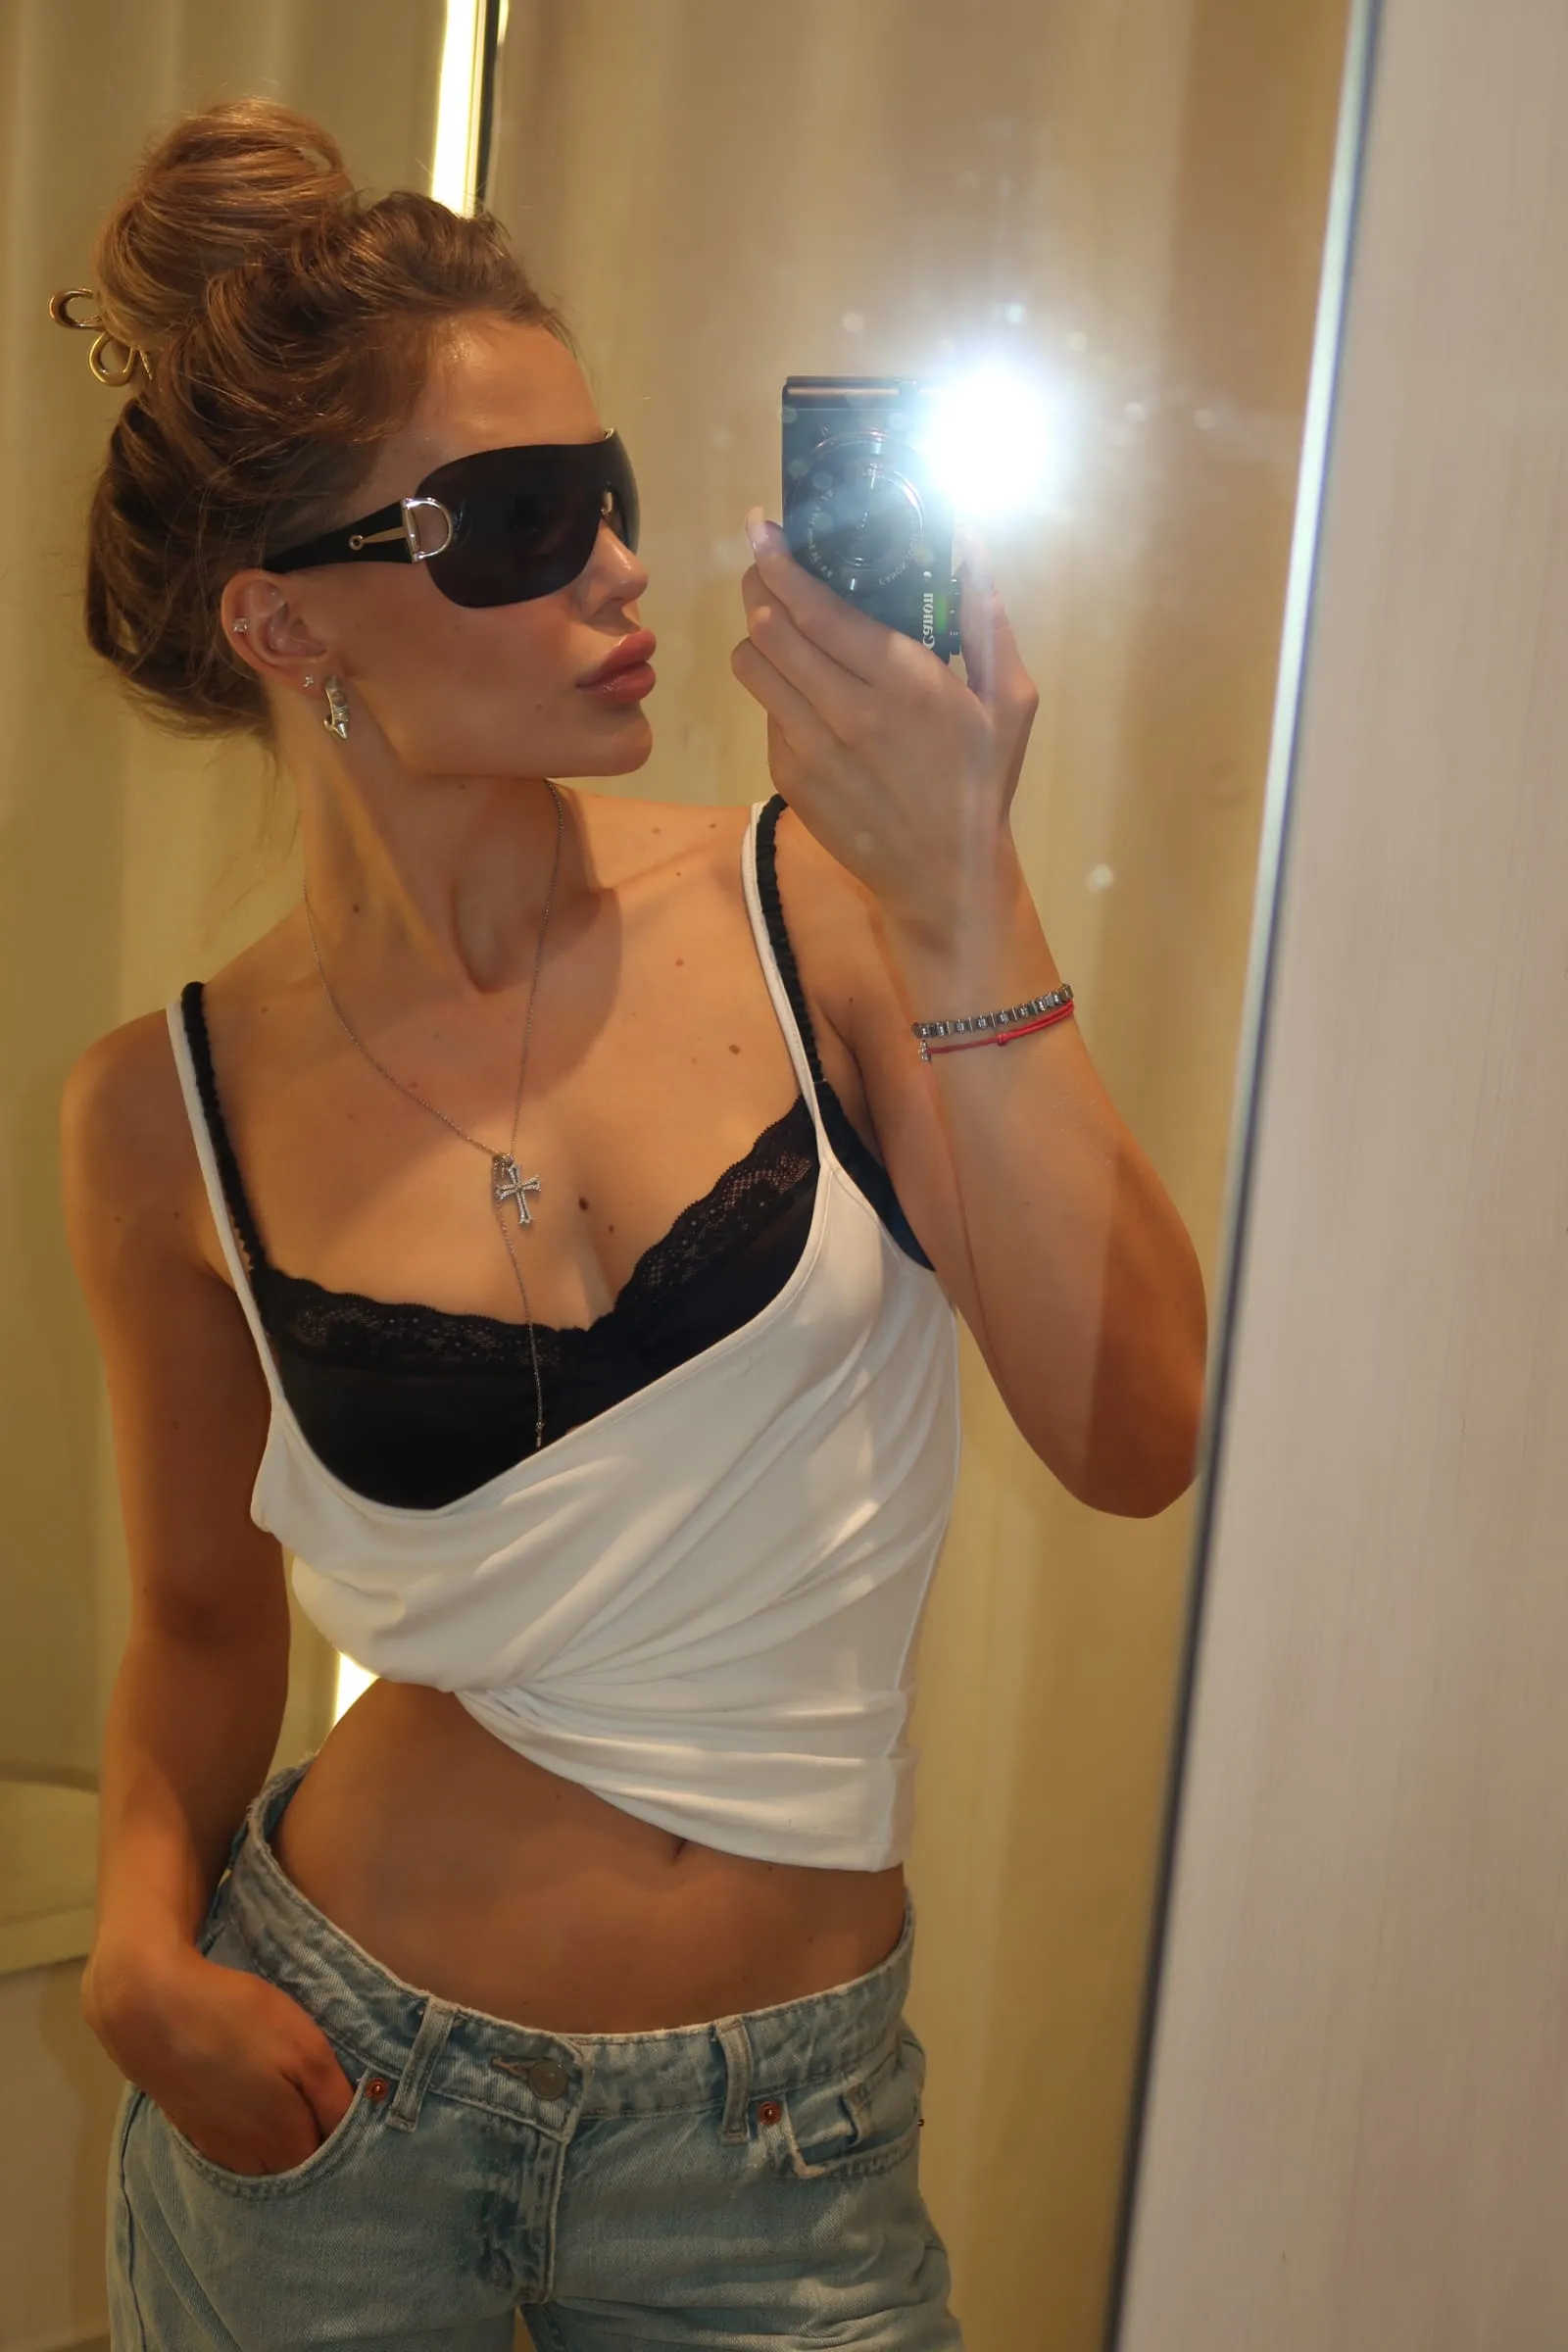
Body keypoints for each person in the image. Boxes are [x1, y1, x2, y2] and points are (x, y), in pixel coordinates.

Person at [57, 99, 1206, 2352]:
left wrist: (963, 887)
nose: (614, 571)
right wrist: (133, 1947)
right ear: (280, 617)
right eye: (516, 521)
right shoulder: (152, 1115)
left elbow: (1135, 1430)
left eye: (609, 496)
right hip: (323, 2109)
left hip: (775, 2155)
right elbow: (197, 1623)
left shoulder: (825, 912)